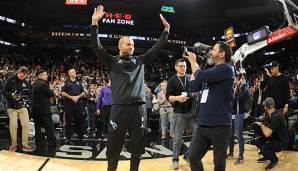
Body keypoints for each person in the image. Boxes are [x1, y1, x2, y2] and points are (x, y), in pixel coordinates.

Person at [91, 5, 170, 171]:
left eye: (133, 44)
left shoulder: (140, 60)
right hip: (119, 109)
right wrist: (94, 24)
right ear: (120, 47)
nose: (131, 46)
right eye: (128, 44)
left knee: (137, 147)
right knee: (114, 146)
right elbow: (97, 47)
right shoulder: (112, 61)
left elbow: (156, 49)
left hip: (138, 109)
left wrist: (166, 31)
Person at [187, 41, 234, 171]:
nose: (210, 52)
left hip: (220, 126)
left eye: (213, 50)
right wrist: (197, 69)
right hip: (203, 125)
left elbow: (200, 75)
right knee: (193, 158)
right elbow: (194, 86)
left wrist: (193, 62)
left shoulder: (226, 69)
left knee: (219, 164)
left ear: (222, 54)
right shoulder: (210, 70)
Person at [166, 59, 197, 170]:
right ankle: (175, 160)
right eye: (180, 66)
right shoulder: (172, 80)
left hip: (191, 113)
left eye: (184, 66)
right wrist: (178, 98)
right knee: (178, 139)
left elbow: (195, 89)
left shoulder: (190, 77)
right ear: (175, 67)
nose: (183, 68)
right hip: (179, 113)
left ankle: (188, 156)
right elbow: (168, 97)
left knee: (198, 136)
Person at [4, 66, 33, 152]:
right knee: (14, 125)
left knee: (25, 124)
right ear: (19, 72)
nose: (22, 77)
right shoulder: (10, 79)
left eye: (24, 76)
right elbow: (4, 92)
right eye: (21, 75)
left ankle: (25, 144)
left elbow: (30, 94)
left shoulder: (26, 82)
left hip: (22, 106)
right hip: (12, 107)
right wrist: (12, 95)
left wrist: (28, 101)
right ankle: (14, 144)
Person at [254, 97, 288, 170]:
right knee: (258, 141)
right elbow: (284, 111)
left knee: (266, 147)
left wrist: (261, 125)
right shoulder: (271, 113)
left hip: (282, 142)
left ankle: (274, 160)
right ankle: (267, 156)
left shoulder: (276, 117)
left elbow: (267, 134)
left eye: (264, 106)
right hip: (275, 137)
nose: (264, 107)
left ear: (266, 107)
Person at [32, 70, 56, 156]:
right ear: (40, 75)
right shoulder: (43, 84)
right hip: (44, 110)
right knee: (49, 126)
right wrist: (52, 89)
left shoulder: (34, 83)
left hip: (35, 110)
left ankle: (39, 144)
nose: (47, 76)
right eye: (45, 75)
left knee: (37, 128)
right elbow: (51, 93)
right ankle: (52, 143)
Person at [61, 69, 86, 142]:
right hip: (69, 104)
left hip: (78, 104)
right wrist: (71, 97)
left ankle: (80, 136)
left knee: (79, 120)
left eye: (75, 71)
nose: (75, 73)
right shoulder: (66, 82)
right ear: (69, 74)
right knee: (68, 120)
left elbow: (83, 92)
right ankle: (67, 136)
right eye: (73, 72)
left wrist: (77, 97)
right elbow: (63, 93)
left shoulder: (79, 82)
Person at [227, 72, 246, 165]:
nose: (234, 79)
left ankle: (241, 156)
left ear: (239, 78)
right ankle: (230, 153)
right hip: (232, 114)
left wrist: (237, 86)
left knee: (238, 135)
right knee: (230, 134)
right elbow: (229, 98)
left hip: (239, 114)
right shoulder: (231, 87)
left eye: (236, 77)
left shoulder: (242, 86)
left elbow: (240, 97)